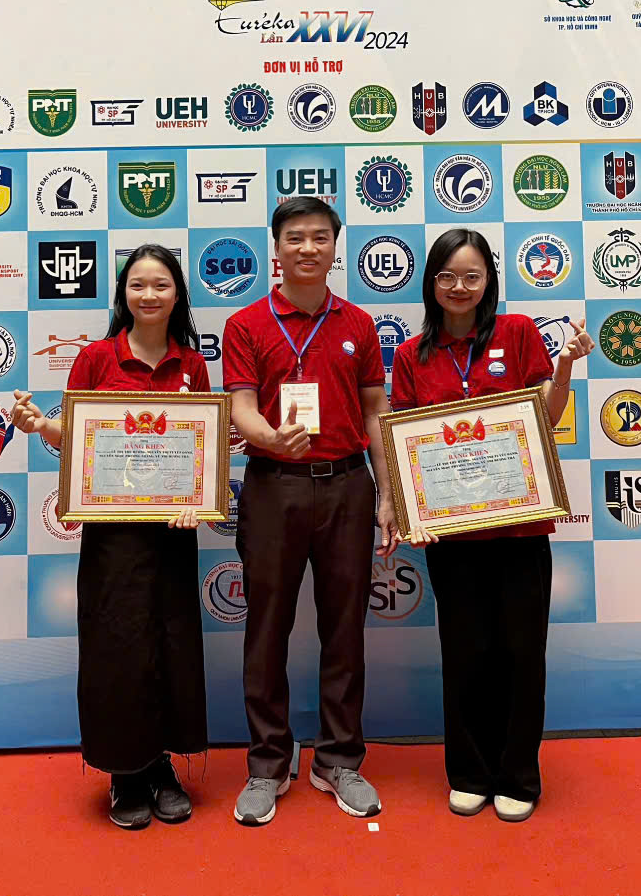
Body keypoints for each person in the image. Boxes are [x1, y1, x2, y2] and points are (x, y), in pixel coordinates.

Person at [389, 228, 593, 823]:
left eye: (471, 276)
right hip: (452, 536)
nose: (459, 287)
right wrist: (411, 512)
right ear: (431, 282)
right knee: (465, 653)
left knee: (522, 652)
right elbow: (404, 445)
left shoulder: (518, 332)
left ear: (489, 281)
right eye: (447, 276)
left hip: (519, 529)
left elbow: (545, 417)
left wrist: (563, 369)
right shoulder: (410, 356)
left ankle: (518, 775)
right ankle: (469, 772)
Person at [9, 244, 210, 831]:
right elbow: (76, 437)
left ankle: (161, 765)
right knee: (117, 647)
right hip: (112, 533)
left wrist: (197, 499)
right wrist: (40, 426)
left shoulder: (192, 364)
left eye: (161, 285)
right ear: (123, 294)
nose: (149, 295)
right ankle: (126, 772)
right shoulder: (96, 358)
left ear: (178, 294)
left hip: (172, 534)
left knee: (169, 645)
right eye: (138, 285)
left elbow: (200, 447)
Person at [223, 196, 399, 826]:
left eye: (319, 237)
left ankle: (338, 760)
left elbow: (376, 411)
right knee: (266, 628)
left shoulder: (358, 323)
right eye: (294, 237)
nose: (307, 248)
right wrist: (269, 437)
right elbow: (241, 407)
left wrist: (388, 493)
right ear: (276, 248)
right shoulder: (245, 324)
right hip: (273, 486)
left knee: (344, 628)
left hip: (347, 487)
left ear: (335, 247)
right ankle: (268, 763)